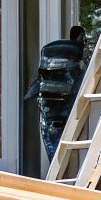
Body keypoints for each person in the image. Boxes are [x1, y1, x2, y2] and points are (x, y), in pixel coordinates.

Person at [23, 25, 86, 164]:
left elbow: (30, 94)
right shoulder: (77, 59)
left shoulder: (48, 60)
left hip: (50, 113)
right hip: (64, 110)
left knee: (56, 159)